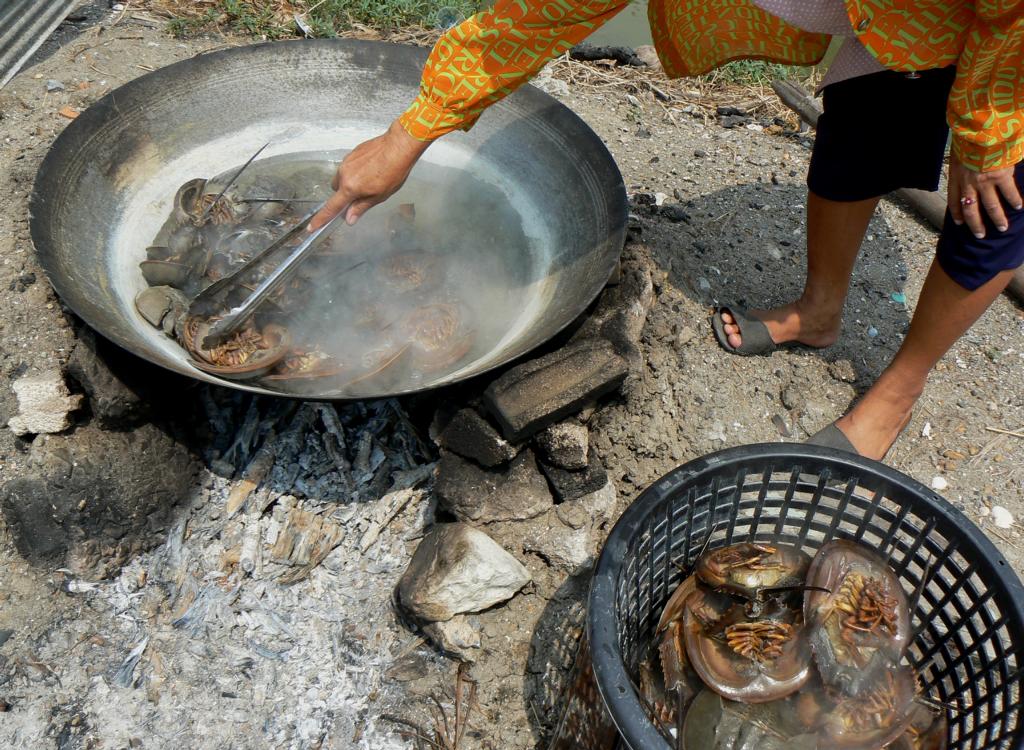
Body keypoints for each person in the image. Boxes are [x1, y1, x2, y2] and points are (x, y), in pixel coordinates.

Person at [307, 0, 1024, 461]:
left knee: (992, 202)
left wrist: (986, 131)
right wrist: (414, 130)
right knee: (861, 134)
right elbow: (543, 11)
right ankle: (819, 310)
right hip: (902, 11)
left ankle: (900, 387)